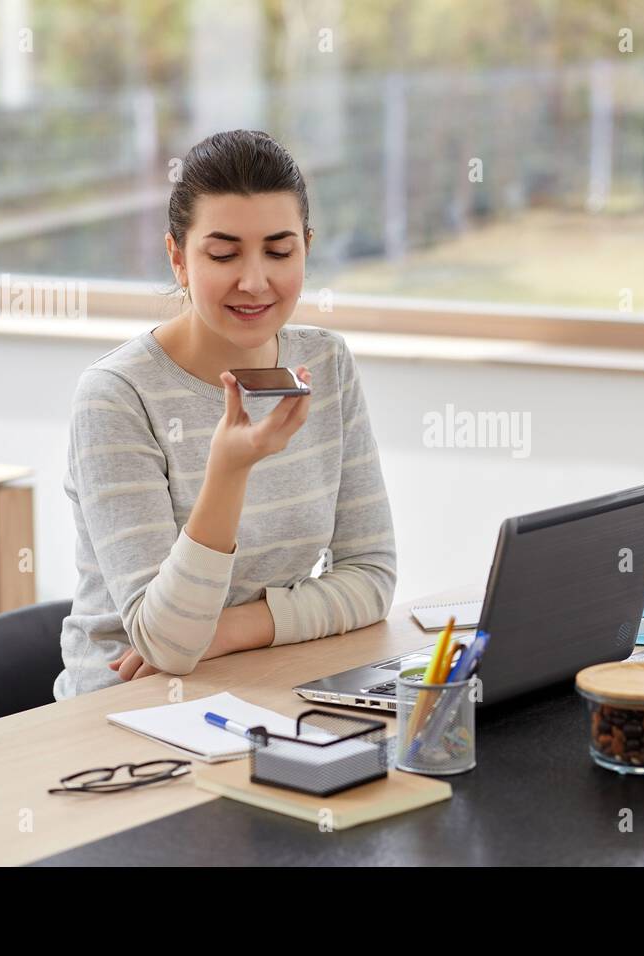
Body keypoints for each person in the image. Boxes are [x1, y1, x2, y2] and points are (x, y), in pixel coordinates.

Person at [53, 129, 396, 699]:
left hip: (265, 681)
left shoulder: (325, 362)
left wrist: (229, 630)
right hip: (128, 706)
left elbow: (371, 578)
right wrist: (228, 472)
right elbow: (165, 645)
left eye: (280, 251)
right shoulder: (116, 395)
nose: (255, 280)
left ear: (307, 247)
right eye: (223, 253)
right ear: (177, 258)